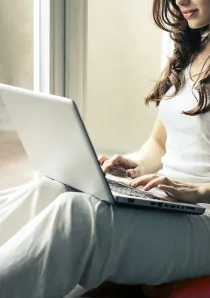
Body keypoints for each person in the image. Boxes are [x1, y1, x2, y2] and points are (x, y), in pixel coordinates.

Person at [0, 0, 210, 297]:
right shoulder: (191, 50)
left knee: (78, 215)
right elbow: (159, 144)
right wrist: (135, 165)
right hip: (171, 200)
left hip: (205, 217)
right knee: (53, 189)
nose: (180, 1)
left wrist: (197, 190)